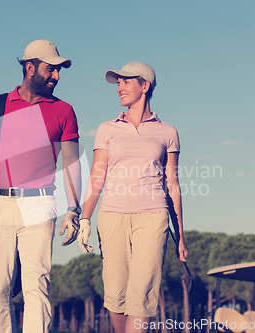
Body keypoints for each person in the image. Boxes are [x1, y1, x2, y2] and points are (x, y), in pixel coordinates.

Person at [0, 40, 82, 333]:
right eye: (51, 69)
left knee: (36, 288)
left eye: (59, 71)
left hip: (40, 204)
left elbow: (71, 162)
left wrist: (73, 208)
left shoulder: (64, 110)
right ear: (30, 67)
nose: (56, 76)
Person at [77, 62, 188, 333]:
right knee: (116, 297)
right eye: (118, 83)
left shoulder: (167, 132)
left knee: (143, 296)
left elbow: (172, 183)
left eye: (126, 82)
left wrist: (181, 235)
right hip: (112, 216)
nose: (119, 88)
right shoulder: (107, 128)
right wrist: (85, 218)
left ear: (145, 85)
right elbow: (96, 176)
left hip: (153, 217)